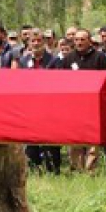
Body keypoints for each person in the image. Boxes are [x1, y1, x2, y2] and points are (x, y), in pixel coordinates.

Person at [52, 29, 106, 172]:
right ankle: (77, 169)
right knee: (75, 138)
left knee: (92, 138)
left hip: (93, 106)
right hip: (74, 106)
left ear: (89, 41)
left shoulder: (100, 58)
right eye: (76, 40)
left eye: (82, 39)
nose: (79, 42)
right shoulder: (68, 59)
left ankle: (91, 170)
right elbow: (63, 83)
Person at [18, 29, 61, 175]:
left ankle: (53, 169)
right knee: (31, 141)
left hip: (49, 107)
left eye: (39, 41)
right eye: (33, 41)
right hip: (30, 107)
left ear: (44, 42)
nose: (36, 44)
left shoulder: (54, 61)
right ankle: (34, 169)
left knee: (50, 140)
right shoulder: (23, 61)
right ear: (28, 43)